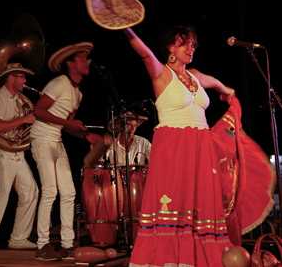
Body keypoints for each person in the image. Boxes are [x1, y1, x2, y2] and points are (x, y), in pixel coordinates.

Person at [121, 25, 274, 266]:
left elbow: (211, 82)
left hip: (200, 148)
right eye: (185, 43)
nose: (191, 48)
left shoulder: (194, 75)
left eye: (193, 44)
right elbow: (143, 52)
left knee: (200, 203)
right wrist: (125, 27)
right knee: (175, 201)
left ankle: (200, 255)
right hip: (174, 148)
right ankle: (170, 257)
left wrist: (226, 90)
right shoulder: (161, 73)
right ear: (171, 47)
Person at [30, 41, 99, 261]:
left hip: (56, 139)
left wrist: (86, 135)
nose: (86, 62)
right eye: (81, 58)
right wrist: (68, 124)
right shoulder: (59, 83)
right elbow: (38, 111)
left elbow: (67, 124)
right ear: (70, 63)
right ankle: (42, 244)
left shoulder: (78, 93)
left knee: (68, 191)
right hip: (41, 137)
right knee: (50, 190)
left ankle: (68, 244)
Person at [0, 62, 39, 254]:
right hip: (0, 150)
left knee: (30, 191)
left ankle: (19, 238)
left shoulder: (19, 99)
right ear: (11, 77)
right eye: (21, 77)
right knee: (1, 194)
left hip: (15, 151)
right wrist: (24, 120)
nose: (25, 80)